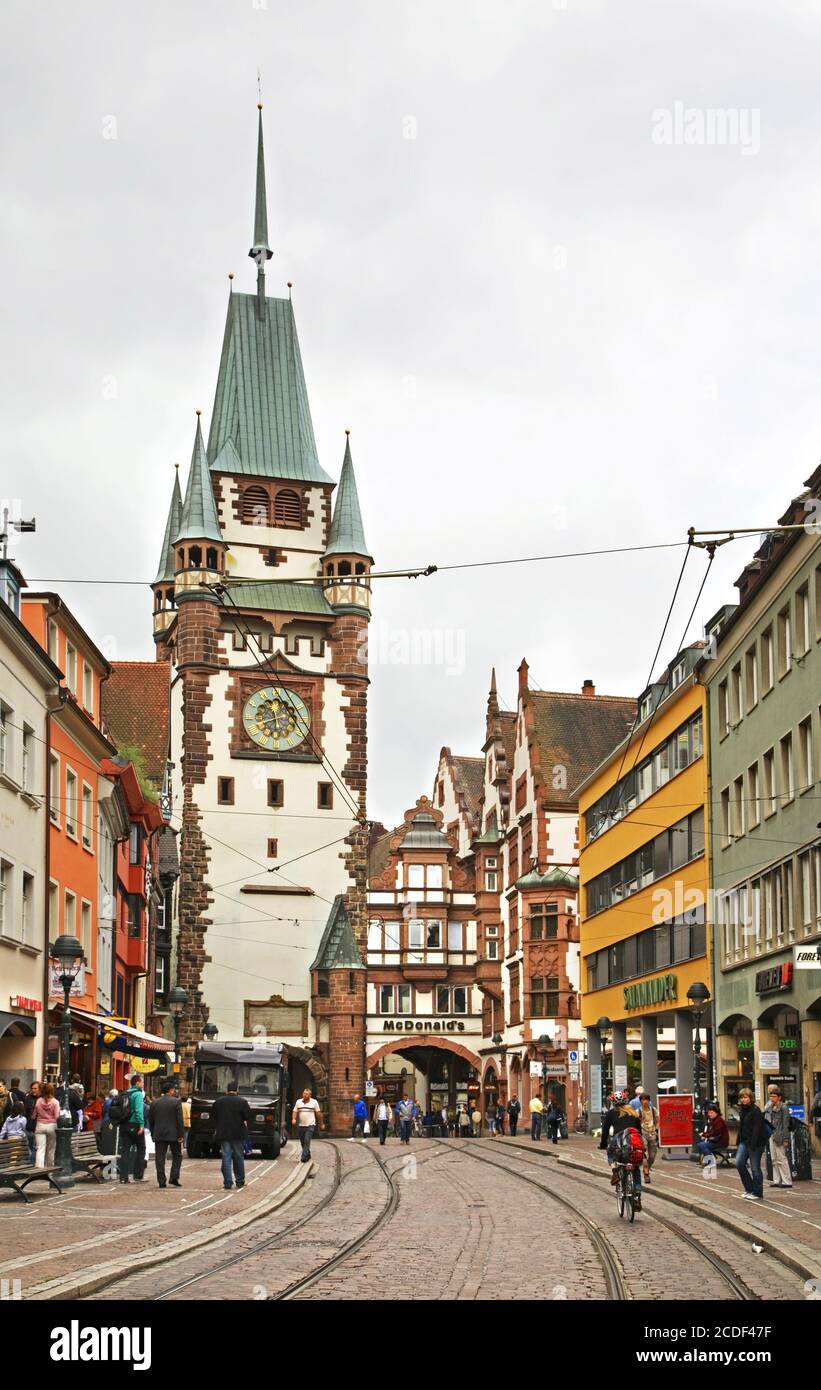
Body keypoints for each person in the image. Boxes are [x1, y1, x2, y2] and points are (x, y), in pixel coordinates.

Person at [600, 1090, 644, 1210]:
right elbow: (639, 1131)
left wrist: (603, 1144)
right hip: (634, 1144)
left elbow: (605, 1131)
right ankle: (637, 1196)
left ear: (613, 1102)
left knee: (610, 1153)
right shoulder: (633, 1112)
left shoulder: (611, 1114)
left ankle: (615, 1172)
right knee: (635, 1168)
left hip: (619, 1143)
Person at [213, 1079, 253, 1189]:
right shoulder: (242, 1101)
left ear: (227, 1090)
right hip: (238, 1133)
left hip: (223, 1133)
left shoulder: (219, 1101)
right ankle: (240, 1181)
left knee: (226, 1156)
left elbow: (214, 1115)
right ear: (237, 1090)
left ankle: (227, 1182)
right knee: (238, 1156)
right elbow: (247, 1116)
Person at [148, 1081, 185, 1188]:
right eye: (173, 1089)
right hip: (174, 1134)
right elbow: (179, 1120)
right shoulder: (176, 1102)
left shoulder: (155, 1102)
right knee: (177, 1155)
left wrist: (153, 1132)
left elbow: (151, 1119)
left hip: (159, 1133)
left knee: (159, 1157)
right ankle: (174, 1177)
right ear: (170, 1090)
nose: (174, 1091)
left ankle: (161, 1180)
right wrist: (181, 1134)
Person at [735, 1088, 765, 1201]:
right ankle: (749, 1188)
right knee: (739, 1163)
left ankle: (758, 1192)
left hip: (755, 1144)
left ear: (750, 1098)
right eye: (742, 1097)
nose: (743, 1099)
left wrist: (753, 1145)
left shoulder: (756, 1110)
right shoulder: (742, 1110)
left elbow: (757, 1129)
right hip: (744, 1141)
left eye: (746, 1097)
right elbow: (742, 1127)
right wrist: (738, 1140)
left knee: (755, 1168)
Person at [118, 1075, 147, 1185]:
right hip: (135, 1124)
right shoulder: (138, 1094)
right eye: (142, 1082)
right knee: (141, 1148)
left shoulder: (125, 1093)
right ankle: (138, 1175)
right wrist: (141, 1125)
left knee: (125, 1151)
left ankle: (123, 1177)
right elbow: (139, 1111)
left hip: (124, 1124)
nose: (143, 1084)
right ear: (138, 1083)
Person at [766, 1087, 793, 1191]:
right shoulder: (771, 1107)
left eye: (774, 1096)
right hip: (771, 1134)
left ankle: (787, 1181)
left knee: (781, 1158)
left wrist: (786, 1138)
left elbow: (785, 1124)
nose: (772, 1098)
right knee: (774, 1159)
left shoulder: (784, 1107)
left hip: (780, 1135)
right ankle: (776, 1180)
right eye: (771, 1096)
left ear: (779, 1097)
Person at [292, 1088, 322, 1163]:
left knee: (306, 1141)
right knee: (302, 1142)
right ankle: (307, 1154)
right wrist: (294, 1119)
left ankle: (304, 1157)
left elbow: (318, 1114)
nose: (304, 1095)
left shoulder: (314, 1102)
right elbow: (295, 1111)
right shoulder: (298, 1102)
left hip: (310, 1125)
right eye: (304, 1093)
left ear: (310, 1095)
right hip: (301, 1125)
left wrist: (321, 1123)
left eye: (306, 1094)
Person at [34, 1082, 60, 1167]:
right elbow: (57, 1116)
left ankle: (39, 1168)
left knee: (40, 1149)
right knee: (51, 1149)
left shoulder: (39, 1101)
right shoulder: (55, 1102)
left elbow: (34, 1115)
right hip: (52, 1126)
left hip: (40, 1125)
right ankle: (50, 1167)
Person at [637, 1092, 659, 1183]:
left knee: (652, 1156)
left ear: (649, 1101)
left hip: (652, 1134)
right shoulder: (638, 1111)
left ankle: (647, 1169)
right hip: (642, 1134)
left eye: (647, 1100)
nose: (645, 1102)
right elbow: (635, 1123)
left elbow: (658, 1121)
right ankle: (646, 1174)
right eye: (643, 1100)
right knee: (643, 1153)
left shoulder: (653, 1110)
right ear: (641, 1101)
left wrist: (655, 1129)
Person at [23, 1081, 40, 1163]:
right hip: (29, 1127)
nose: (33, 1090)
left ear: (39, 1089)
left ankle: (34, 1164)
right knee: (29, 1147)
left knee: (36, 1147)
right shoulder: (28, 1098)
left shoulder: (42, 1099)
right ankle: (31, 1164)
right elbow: (25, 1112)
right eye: (32, 1088)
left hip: (39, 1127)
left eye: (35, 1088)